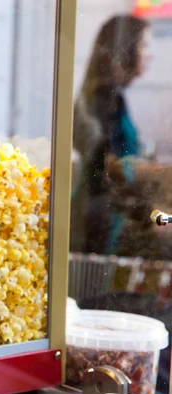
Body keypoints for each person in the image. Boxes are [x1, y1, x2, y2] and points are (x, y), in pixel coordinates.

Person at [70, 15, 158, 257]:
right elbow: (107, 172)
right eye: (145, 45)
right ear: (127, 48)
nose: (150, 54)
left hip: (105, 217)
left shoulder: (112, 97)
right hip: (99, 224)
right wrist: (152, 216)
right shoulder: (104, 99)